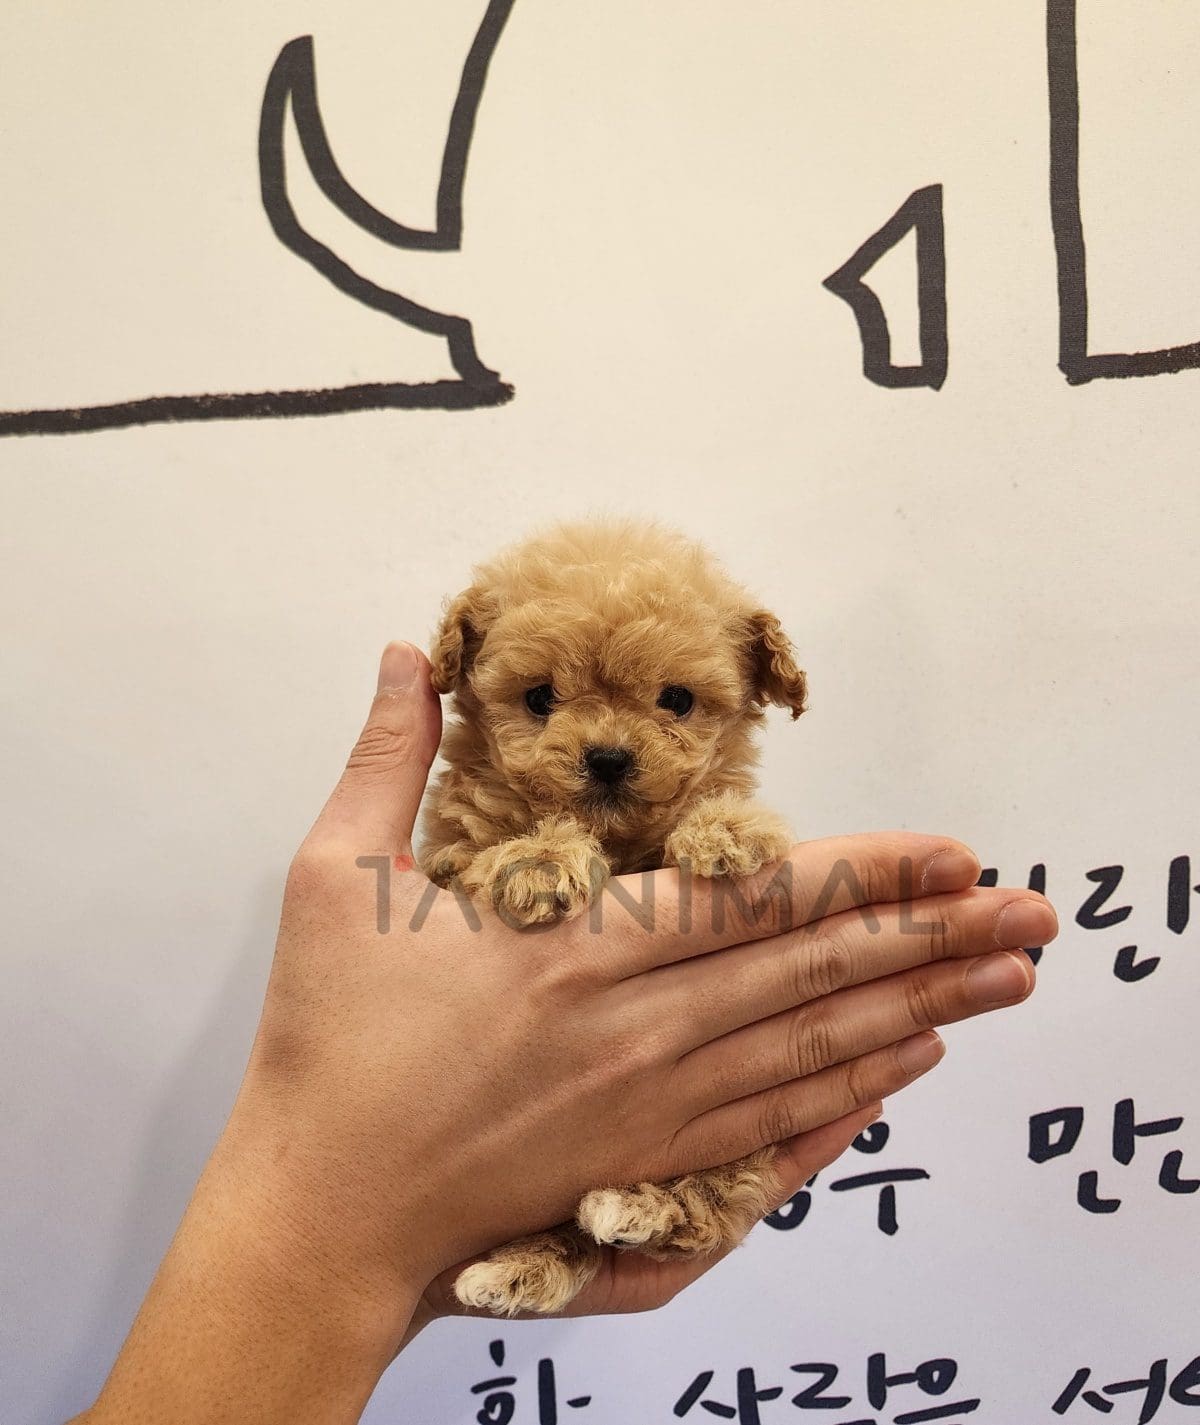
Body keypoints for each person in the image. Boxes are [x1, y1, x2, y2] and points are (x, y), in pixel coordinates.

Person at [69, 643, 1055, 1425]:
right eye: (540, 698)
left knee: (743, 1099)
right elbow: (460, 883)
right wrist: (343, 1225)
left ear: (758, 690)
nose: (609, 743)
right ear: (468, 676)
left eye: (676, 701)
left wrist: (372, 1261)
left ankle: (656, 1217)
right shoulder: (473, 826)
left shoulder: (715, 831)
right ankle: (554, 1245)